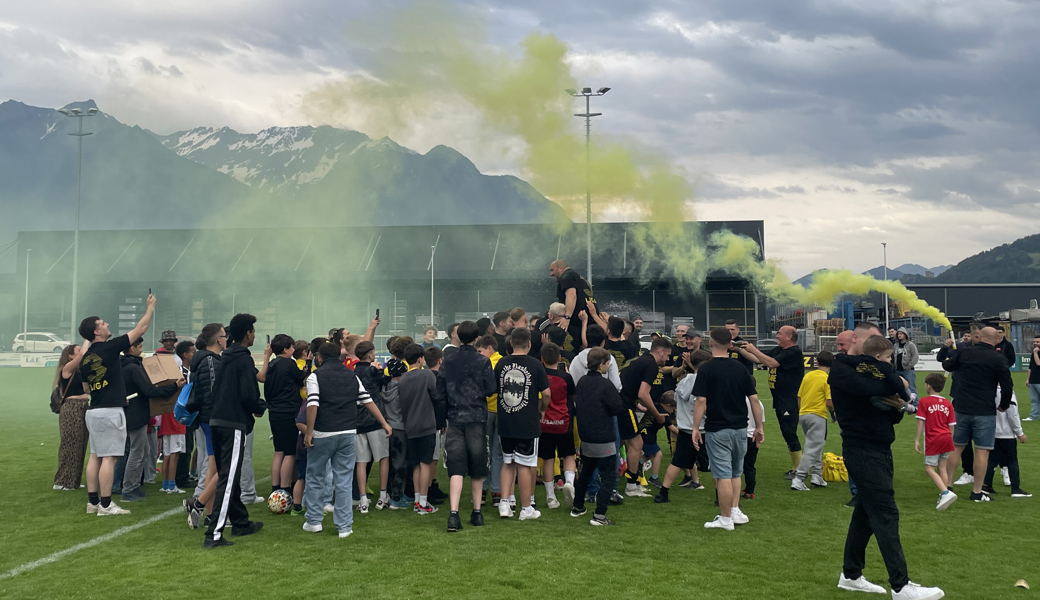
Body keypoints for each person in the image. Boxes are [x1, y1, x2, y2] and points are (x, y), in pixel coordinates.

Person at [830, 323, 943, 599]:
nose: (878, 347)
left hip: (881, 447)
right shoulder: (842, 367)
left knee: (866, 514)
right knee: (885, 512)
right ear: (857, 339)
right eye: (873, 340)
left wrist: (897, 401)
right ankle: (901, 586)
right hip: (861, 449)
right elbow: (870, 385)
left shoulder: (879, 371)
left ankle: (851, 574)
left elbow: (892, 412)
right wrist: (896, 386)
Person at [65, 293, 157, 517]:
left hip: (94, 410)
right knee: (110, 457)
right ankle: (106, 505)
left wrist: (113, 394)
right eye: (103, 323)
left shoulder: (85, 358)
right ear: (97, 332)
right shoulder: (109, 347)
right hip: (109, 412)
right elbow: (140, 330)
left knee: (95, 456)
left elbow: (87, 388)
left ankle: (93, 502)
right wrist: (150, 308)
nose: (107, 325)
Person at [301, 341, 391, 539]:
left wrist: (309, 433)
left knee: (315, 477)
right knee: (343, 479)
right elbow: (367, 400)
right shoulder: (351, 375)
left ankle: (314, 521)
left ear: (319, 358)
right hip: (348, 432)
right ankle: (344, 527)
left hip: (323, 433)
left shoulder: (315, 376)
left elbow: (313, 404)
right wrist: (384, 423)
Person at [203, 313, 266, 549]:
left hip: (218, 421)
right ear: (248, 333)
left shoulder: (226, 358)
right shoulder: (243, 359)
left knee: (231, 475)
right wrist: (260, 407)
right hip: (233, 424)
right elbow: (248, 394)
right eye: (253, 331)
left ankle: (240, 522)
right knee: (228, 479)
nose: (254, 335)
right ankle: (214, 534)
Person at [693, 328, 763, 531]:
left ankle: (725, 518)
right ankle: (734, 511)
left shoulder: (706, 369)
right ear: (730, 344)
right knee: (735, 472)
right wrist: (758, 426)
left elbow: (700, 400)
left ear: (711, 343)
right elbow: (754, 399)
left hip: (718, 428)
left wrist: (695, 427)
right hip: (741, 428)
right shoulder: (740, 368)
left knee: (723, 474)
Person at [436, 321, 497, 532]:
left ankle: (453, 514)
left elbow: (439, 392)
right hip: (477, 417)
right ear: (476, 337)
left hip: (454, 418)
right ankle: (477, 513)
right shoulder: (483, 361)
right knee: (478, 467)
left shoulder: (447, 361)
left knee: (456, 467)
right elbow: (491, 388)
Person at [941, 326, 1014, 503]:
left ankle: (947, 486)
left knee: (956, 447)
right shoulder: (998, 358)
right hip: (984, 409)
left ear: (980, 337)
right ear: (996, 340)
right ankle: (977, 491)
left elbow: (948, 365)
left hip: (962, 406)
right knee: (982, 450)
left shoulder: (966, 353)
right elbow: (1007, 385)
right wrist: (1004, 405)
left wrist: (949, 353)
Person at [118, 337, 185, 501]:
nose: (141, 349)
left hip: (130, 412)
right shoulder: (133, 368)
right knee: (136, 453)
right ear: (132, 348)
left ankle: (133, 486)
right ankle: (128, 489)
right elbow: (149, 390)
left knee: (138, 452)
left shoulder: (123, 365)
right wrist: (174, 387)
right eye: (139, 346)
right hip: (136, 413)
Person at [495, 327, 551, 520]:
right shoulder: (535, 364)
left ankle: (504, 503)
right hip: (527, 421)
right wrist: (542, 409)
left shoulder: (501, 363)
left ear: (511, 343)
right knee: (525, 465)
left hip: (505, 421)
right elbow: (547, 393)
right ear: (529, 343)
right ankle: (526, 508)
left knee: (508, 462)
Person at [569, 347, 625, 525]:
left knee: (586, 472)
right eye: (608, 362)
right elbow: (617, 407)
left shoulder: (582, 381)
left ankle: (578, 506)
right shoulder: (606, 384)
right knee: (608, 477)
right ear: (602, 364)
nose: (609, 365)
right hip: (604, 436)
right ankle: (600, 515)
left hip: (586, 435)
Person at [744, 325, 804, 478]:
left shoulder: (793, 352)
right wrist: (740, 349)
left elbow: (771, 363)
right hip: (780, 400)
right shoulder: (779, 350)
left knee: (790, 433)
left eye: (780, 333)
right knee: (786, 433)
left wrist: (753, 349)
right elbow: (759, 360)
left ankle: (799, 469)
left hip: (789, 401)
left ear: (789, 337)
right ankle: (797, 467)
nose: (777, 336)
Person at [653, 349, 712, 503]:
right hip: (701, 428)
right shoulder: (703, 381)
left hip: (684, 427)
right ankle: (721, 496)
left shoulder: (684, 380)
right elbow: (700, 404)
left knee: (677, 462)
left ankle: (663, 492)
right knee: (717, 463)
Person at [183, 323, 225, 529]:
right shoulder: (210, 360)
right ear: (218, 340)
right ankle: (198, 504)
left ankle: (210, 515)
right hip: (212, 419)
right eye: (224, 336)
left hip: (207, 418)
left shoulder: (203, 359)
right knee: (225, 467)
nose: (226, 339)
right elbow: (212, 392)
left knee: (213, 465)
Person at [618, 338, 671, 497]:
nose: (667, 359)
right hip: (623, 404)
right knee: (637, 443)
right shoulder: (651, 365)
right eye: (667, 355)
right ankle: (631, 486)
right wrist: (656, 414)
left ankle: (612, 480)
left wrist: (638, 406)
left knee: (619, 441)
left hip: (617, 401)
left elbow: (626, 384)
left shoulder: (639, 359)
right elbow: (643, 393)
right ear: (660, 351)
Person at [398, 343, 443, 514]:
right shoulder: (427, 375)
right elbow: (437, 397)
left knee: (416, 464)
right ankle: (423, 502)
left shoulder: (402, 379)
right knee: (426, 463)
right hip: (426, 426)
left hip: (410, 426)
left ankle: (418, 499)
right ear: (420, 359)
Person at [264, 334, 307, 497]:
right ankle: (285, 489)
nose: (294, 350)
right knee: (290, 452)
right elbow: (300, 377)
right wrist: (307, 364)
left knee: (278, 450)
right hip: (289, 410)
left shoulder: (271, 364)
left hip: (274, 411)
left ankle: (275, 488)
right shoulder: (289, 364)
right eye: (292, 347)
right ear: (285, 349)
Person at [353, 341, 391, 512]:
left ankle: (362, 499)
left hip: (357, 421)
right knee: (383, 457)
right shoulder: (373, 370)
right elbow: (387, 379)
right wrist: (381, 368)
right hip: (375, 419)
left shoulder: (353, 372)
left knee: (361, 461)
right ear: (370, 355)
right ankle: (383, 496)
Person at [537, 342, 576, 509]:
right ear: (560, 358)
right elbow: (573, 396)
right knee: (568, 455)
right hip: (564, 421)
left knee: (547, 458)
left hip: (544, 422)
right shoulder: (565, 377)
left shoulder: (539, 376)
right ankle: (569, 483)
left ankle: (550, 497)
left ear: (542, 359)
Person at [914, 373, 958, 510]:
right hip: (946, 438)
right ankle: (945, 494)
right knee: (942, 467)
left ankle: (945, 493)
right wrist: (950, 438)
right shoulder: (947, 403)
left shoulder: (924, 402)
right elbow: (952, 424)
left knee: (929, 468)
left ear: (929, 386)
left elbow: (920, 421)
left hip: (933, 438)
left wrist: (916, 440)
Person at [791, 352, 833, 491]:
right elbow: (829, 402)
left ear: (817, 362)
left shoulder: (808, 375)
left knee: (816, 445)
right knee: (813, 447)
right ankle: (799, 478)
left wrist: (800, 413)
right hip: (818, 415)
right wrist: (834, 414)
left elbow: (799, 396)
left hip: (804, 414)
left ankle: (817, 475)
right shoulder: (827, 379)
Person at [981, 385, 1030, 498]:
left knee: (992, 459)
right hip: (1006, 432)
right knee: (1012, 460)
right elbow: (1012, 414)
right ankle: (1015, 488)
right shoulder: (1008, 392)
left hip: (992, 431)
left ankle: (987, 484)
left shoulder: (987, 391)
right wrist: (1019, 432)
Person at [53, 344, 90, 491]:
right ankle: (62, 480)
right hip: (72, 407)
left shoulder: (81, 371)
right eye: (78, 350)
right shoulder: (67, 369)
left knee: (81, 443)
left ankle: (73, 479)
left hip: (84, 406)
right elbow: (82, 356)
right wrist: (88, 338)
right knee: (70, 444)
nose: (82, 352)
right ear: (70, 356)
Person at [476, 335, 505, 505]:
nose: (479, 354)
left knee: (484, 451)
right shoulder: (504, 362)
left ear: (490, 348)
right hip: (501, 411)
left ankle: (483, 490)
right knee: (498, 453)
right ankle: (497, 490)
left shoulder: (483, 364)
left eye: (480, 351)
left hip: (486, 411)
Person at [550, 259, 594, 352]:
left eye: (552, 270)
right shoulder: (578, 278)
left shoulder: (566, 276)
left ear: (560, 268)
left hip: (578, 322)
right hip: (587, 323)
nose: (551, 274)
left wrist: (567, 317)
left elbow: (571, 295)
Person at [893, 328, 919, 397]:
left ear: (905, 335)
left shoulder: (911, 345)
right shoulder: (895, 345)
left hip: (908, 370)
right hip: (897, 370)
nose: (899, 335)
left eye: (901, 334)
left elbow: (915, 357)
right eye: (898, 334)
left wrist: (909, 366)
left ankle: (915, 404)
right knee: (899, 388)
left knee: (911, 388)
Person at [1027, 335, 1040, 422]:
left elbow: (1038, 363)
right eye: (1034, 342)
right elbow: (1030, 367)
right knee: (1034, 400)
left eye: (1037, 342)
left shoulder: (1035, 353)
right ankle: (1033, 416)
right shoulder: (1033, 352)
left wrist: (1035, 353)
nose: (1035, 343)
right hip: (1033, 380)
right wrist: (1028, 379)